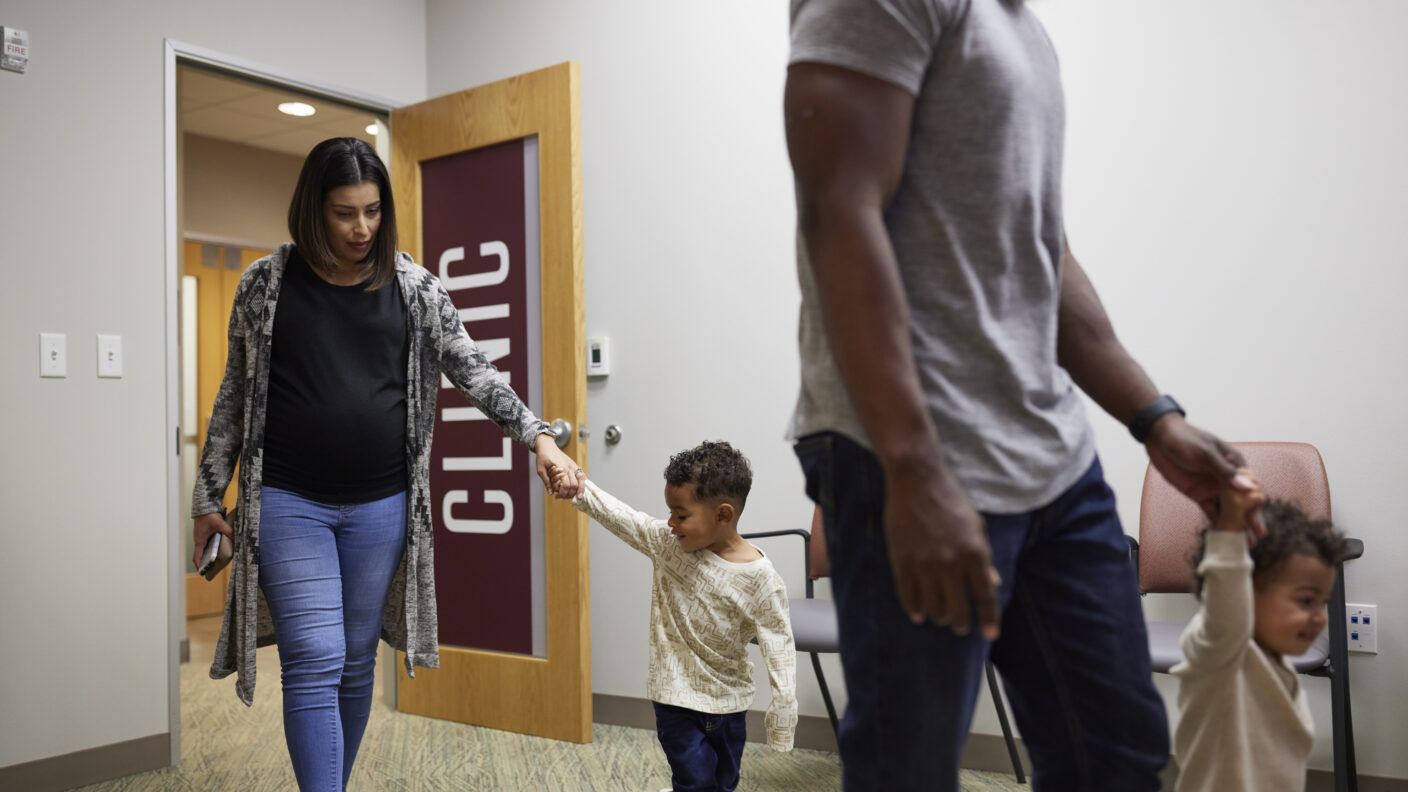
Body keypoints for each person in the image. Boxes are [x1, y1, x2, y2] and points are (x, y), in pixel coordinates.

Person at [783, 1, 1254, 789]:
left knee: (1119, 756)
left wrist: (1155, 420)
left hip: (1054, 460)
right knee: (910, 770)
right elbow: (838, 212)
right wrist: (914, 470)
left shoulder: (1024, 31)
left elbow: (1045, 255)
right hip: (911, 454)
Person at [189, 137, 585, 792]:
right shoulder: (267, 284)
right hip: (289, 502)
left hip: (381, 506)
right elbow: (233, 396)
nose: (361, 227)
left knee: (351, 663)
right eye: (345, 212)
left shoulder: (415, 289)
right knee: (314, 657)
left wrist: (539, 438)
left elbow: (476, 372)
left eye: (373, 211)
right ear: (313, 210)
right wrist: (208, 496)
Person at [553, 441, 796, 792]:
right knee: (694, 780)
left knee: (724, 782)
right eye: (670, 512)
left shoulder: (761, 578)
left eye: (681, 515)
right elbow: (623, 518)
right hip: (675, 698)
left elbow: (779, 644)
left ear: (723, 515)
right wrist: (578, 486)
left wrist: (783, 709)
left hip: (730, 701)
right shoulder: (667, 545)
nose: (671, 523)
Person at [1174, 470, 1348, 792]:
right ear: (1245, 590)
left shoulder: (1278, 664)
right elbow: (1227, 598)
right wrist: (1229, 526)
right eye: (1307, 600)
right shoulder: (1220, 654)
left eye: (1322, 602)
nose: (1321, 617)